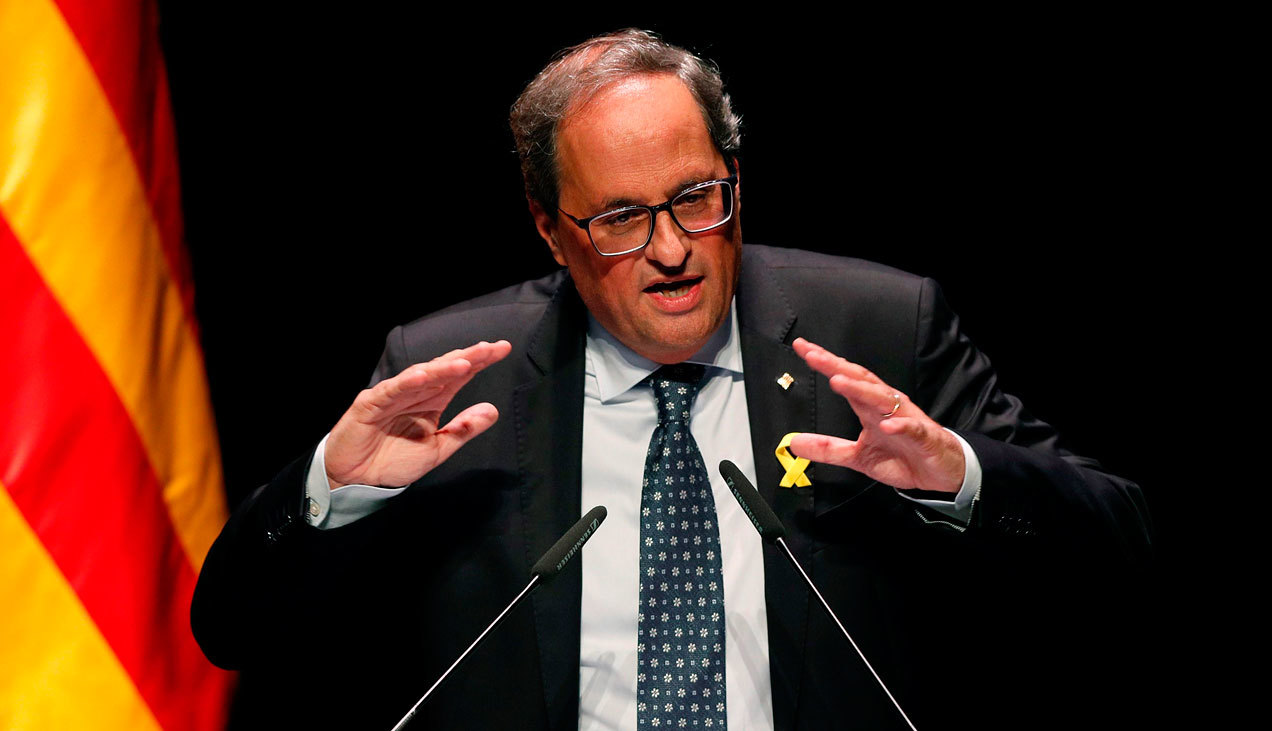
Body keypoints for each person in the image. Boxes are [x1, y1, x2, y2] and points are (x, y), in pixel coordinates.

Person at [192, 30, 1151, 731]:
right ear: (547, 225)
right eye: (618, 217)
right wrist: (332, 492)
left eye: (696, 199)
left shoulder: (880, 331)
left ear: (736, 179)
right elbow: (231, 631)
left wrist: (960, 478)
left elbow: (1121, 546)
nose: (670, 252)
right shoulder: (447, 374)